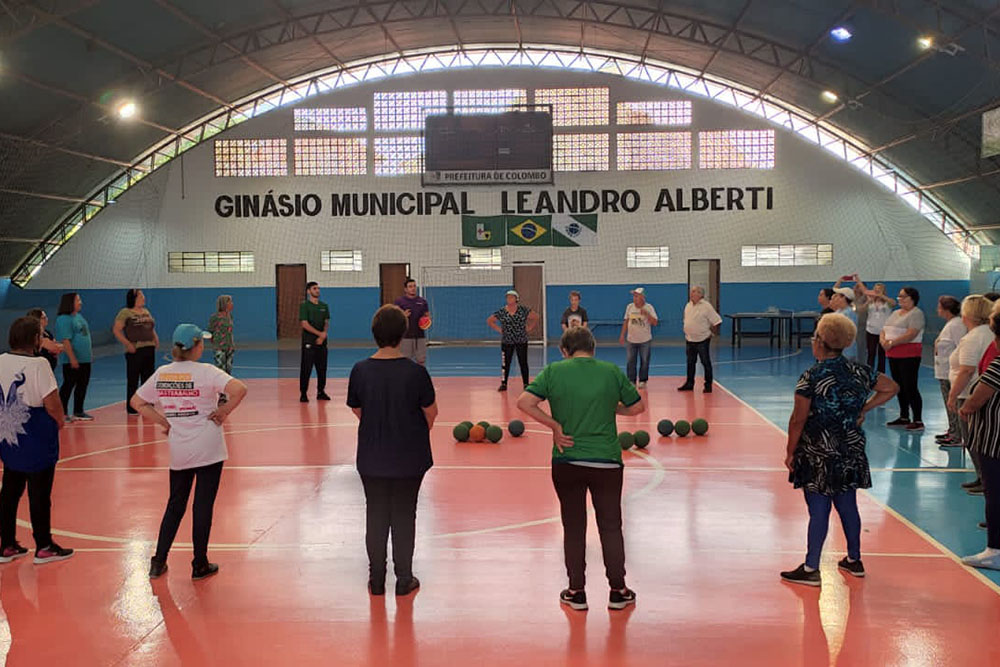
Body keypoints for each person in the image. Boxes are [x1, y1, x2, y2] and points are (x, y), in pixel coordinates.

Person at [516, 326, 646, 610]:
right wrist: (614, 408)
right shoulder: (610, 371)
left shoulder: (554, 371)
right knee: (611, 526)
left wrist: (554, 426)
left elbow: (524, 402)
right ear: (593, 348)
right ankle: (618, 591)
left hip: (567, 460)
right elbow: (638, 407)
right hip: (607, 462)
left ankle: (576, 592)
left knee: (573, 527)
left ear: (565, 351)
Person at [781, 314, 899, 586]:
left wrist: (790, 451)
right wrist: (863, 408)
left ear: (820, 342)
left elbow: (798, 419)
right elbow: (891, 387)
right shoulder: (859, 371)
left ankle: (811, 567)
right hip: (850, 448)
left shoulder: (811, 377)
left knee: (819, 508)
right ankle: (854, 559)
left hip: (818, 450)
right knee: (848, 504)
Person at [132, 324, 248, 581]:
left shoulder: (162, 373)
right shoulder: (206, 371)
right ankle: (199, 563)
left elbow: (137, 402)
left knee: (175, 504)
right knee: (202, 506)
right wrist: (223, 411)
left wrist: (164, 421)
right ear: (196, 346)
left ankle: (158, 560)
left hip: (180, 449)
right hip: (209, 448)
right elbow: (239, 389)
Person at [346, 305, 437, 596]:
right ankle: (404, 578)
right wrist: (411, 431)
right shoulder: (416, 373)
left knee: (375, 513)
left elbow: (357, 408)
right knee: (404, 514)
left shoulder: (360, 370)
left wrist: (379, 424)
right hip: (409, 456)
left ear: (374, 333)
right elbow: (431, 413)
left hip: (372, 455)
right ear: (402, 334)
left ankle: (376, 579)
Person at [0, 317, 74, 565]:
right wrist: (59, 421)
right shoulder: (39, 365)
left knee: (10, 489)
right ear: (34, 339)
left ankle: (7, 544)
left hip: (9, 431)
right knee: (40, 492)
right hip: (35, 432)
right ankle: (44, 545)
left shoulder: (1, 360)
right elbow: (52, 402)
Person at [959, 303, 1000, 570]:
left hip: (993, 440)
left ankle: (995, 549)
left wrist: (965, 408)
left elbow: (976, 400)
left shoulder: (998, 366)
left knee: (994, 493)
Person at [945, 296, 994, 494]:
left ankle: (986, 479)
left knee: (973, 438)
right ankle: (983, 477)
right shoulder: (988, 333)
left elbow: (966, 370)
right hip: (980, 391)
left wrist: (952, 395)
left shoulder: (973, 338)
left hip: (969, 394)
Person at [880, 286, 925, 431]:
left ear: (912, 298)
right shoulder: (895, 313)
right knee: (899, 386)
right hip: (893, 354)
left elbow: (911, 334)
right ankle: (904, 415)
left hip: (909, 355)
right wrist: (883, 341)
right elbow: (884, 330)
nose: (900, 299)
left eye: (903, 296)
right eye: (899, 296)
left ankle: (917, 419)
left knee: (910, 386)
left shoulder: (916, 314)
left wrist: (892, 343)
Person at [113, 289, 159, 416]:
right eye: (140, 295)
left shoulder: (146, 312)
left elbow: (151, 328)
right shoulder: (125, 312)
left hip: (149, 348)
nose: (143, 297)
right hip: (135, 350)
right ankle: (132, 407)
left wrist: (155, 339)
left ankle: (147, 403)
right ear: (134, 298)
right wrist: (127, 344)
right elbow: (116, 330)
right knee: (133, 379)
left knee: (148, 378)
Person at [487, 290, 539, 392]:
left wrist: (529, 328)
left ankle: (526, 383)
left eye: (511, 297)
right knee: (505, 363)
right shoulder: (502, 311)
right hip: (507, 341)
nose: (509, 299)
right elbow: (490, 321)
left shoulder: (523, 310)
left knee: (523, 362)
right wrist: (500, 330)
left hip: (521, 340)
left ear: (516, 299)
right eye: (507, 297)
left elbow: (536, 317)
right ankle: (504, 383)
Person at [54, 292, 94, 422]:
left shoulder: (79, 317)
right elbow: (65, 340)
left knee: (82, 384)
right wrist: (72, 358)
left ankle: (78, 411)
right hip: (72, 360)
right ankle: (62, 413)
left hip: (84, 359)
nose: (80, 302)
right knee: (69, 384)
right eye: (78, 300)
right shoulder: (63, 319)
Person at [934, 296, 966, 448]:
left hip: (950, 371)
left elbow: (961, 346)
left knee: (952, 403)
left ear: (946, 309)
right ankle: (953, 429)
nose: (937, 310)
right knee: (949, 403)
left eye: (939, 307)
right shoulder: (951, 323)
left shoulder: (956, 325)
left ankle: (957, 435)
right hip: (944, 371)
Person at [678, 286, 722, 393]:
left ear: (700, 294)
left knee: (705, 362)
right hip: (689, 339)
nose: (691, 293)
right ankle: (689, 383)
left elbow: (717, 321)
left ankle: (708, 385)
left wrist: (710, 333)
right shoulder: (688, 305)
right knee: (690, 362)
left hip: (702, 340)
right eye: (691, 291)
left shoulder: (706, 306)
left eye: (694, 292)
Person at [618, 287, 659, 388]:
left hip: (645, 340)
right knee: (630, 361)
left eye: (637, 296)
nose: (634, 298)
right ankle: (631, 380)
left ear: (642, 297)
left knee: (644, 361)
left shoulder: (649, 307)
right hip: (631, 340)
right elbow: (626, 321)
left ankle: (643, 380)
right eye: (634, 296)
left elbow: (655, 322)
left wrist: (647, 314)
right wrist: (622, 335)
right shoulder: (629, 307)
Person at [299, 282, 331, 403]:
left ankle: (321, 392)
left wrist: (324, 334)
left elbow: (326, 322)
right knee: (306, 368)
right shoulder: (305, 305)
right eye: (314, 288)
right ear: (308, 291)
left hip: (322, 342)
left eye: (318, 288)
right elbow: (304, 324)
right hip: (309, 341)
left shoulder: (324, 306)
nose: (317, 290)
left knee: (322, 368)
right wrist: (319, 334)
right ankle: (303, 393)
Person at [855, 282, 895, 373]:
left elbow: (893, 303)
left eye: (879, 290)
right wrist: (869, 301)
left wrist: (882, 296)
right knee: (871, 353)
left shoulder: (887, 303)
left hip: (883, 332)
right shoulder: (870, 302)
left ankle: (881, 373)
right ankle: (869, 372)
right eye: (876, 289)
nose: (877, 291)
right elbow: (860, 310)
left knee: (882, 354)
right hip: (871, 330)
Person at [394, 277, 430, 365]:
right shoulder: (399, 301)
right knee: (405, 362)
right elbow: (395, 318)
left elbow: (427, 315)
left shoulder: (423, 301)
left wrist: (426, 320)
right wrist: (403, 315)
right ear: (405, 289)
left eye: (414, 286)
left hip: (420, 336)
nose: (413, 288)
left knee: (421, 361)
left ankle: (420, 374)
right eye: (410, 286)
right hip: (406, 336)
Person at [208, 295, 236, 374]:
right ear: (225, 304)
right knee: (221, 370)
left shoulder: (230, 316)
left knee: (228, 370)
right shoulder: (215, 317)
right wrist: (216, 344)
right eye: (230, 302)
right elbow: (210, 331)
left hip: (230, 347)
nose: (232, 304)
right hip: (219, 347)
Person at [829, 287, 858, 360]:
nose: (835, 299)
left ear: (843, 298)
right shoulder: (838, 311)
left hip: (846, 352)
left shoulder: (849, 313)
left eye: (837, 296)